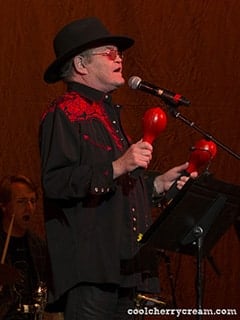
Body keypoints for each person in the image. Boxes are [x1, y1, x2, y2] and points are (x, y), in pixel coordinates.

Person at [40, 17, 197, 319]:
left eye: (119, 52)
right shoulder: (64, 112)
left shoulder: (108, 112)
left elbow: (116, 189)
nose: (119, 58)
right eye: (109, 52)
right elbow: (56, 182)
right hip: (90, 273)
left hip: (125, 269)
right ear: (81, 65)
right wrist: (117, 166)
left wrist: (156, 185)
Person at [0, 175, 47, 320]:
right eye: (21, 202)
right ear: (3, 205)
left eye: (32, 201)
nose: (29, 208)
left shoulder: (39, 246)